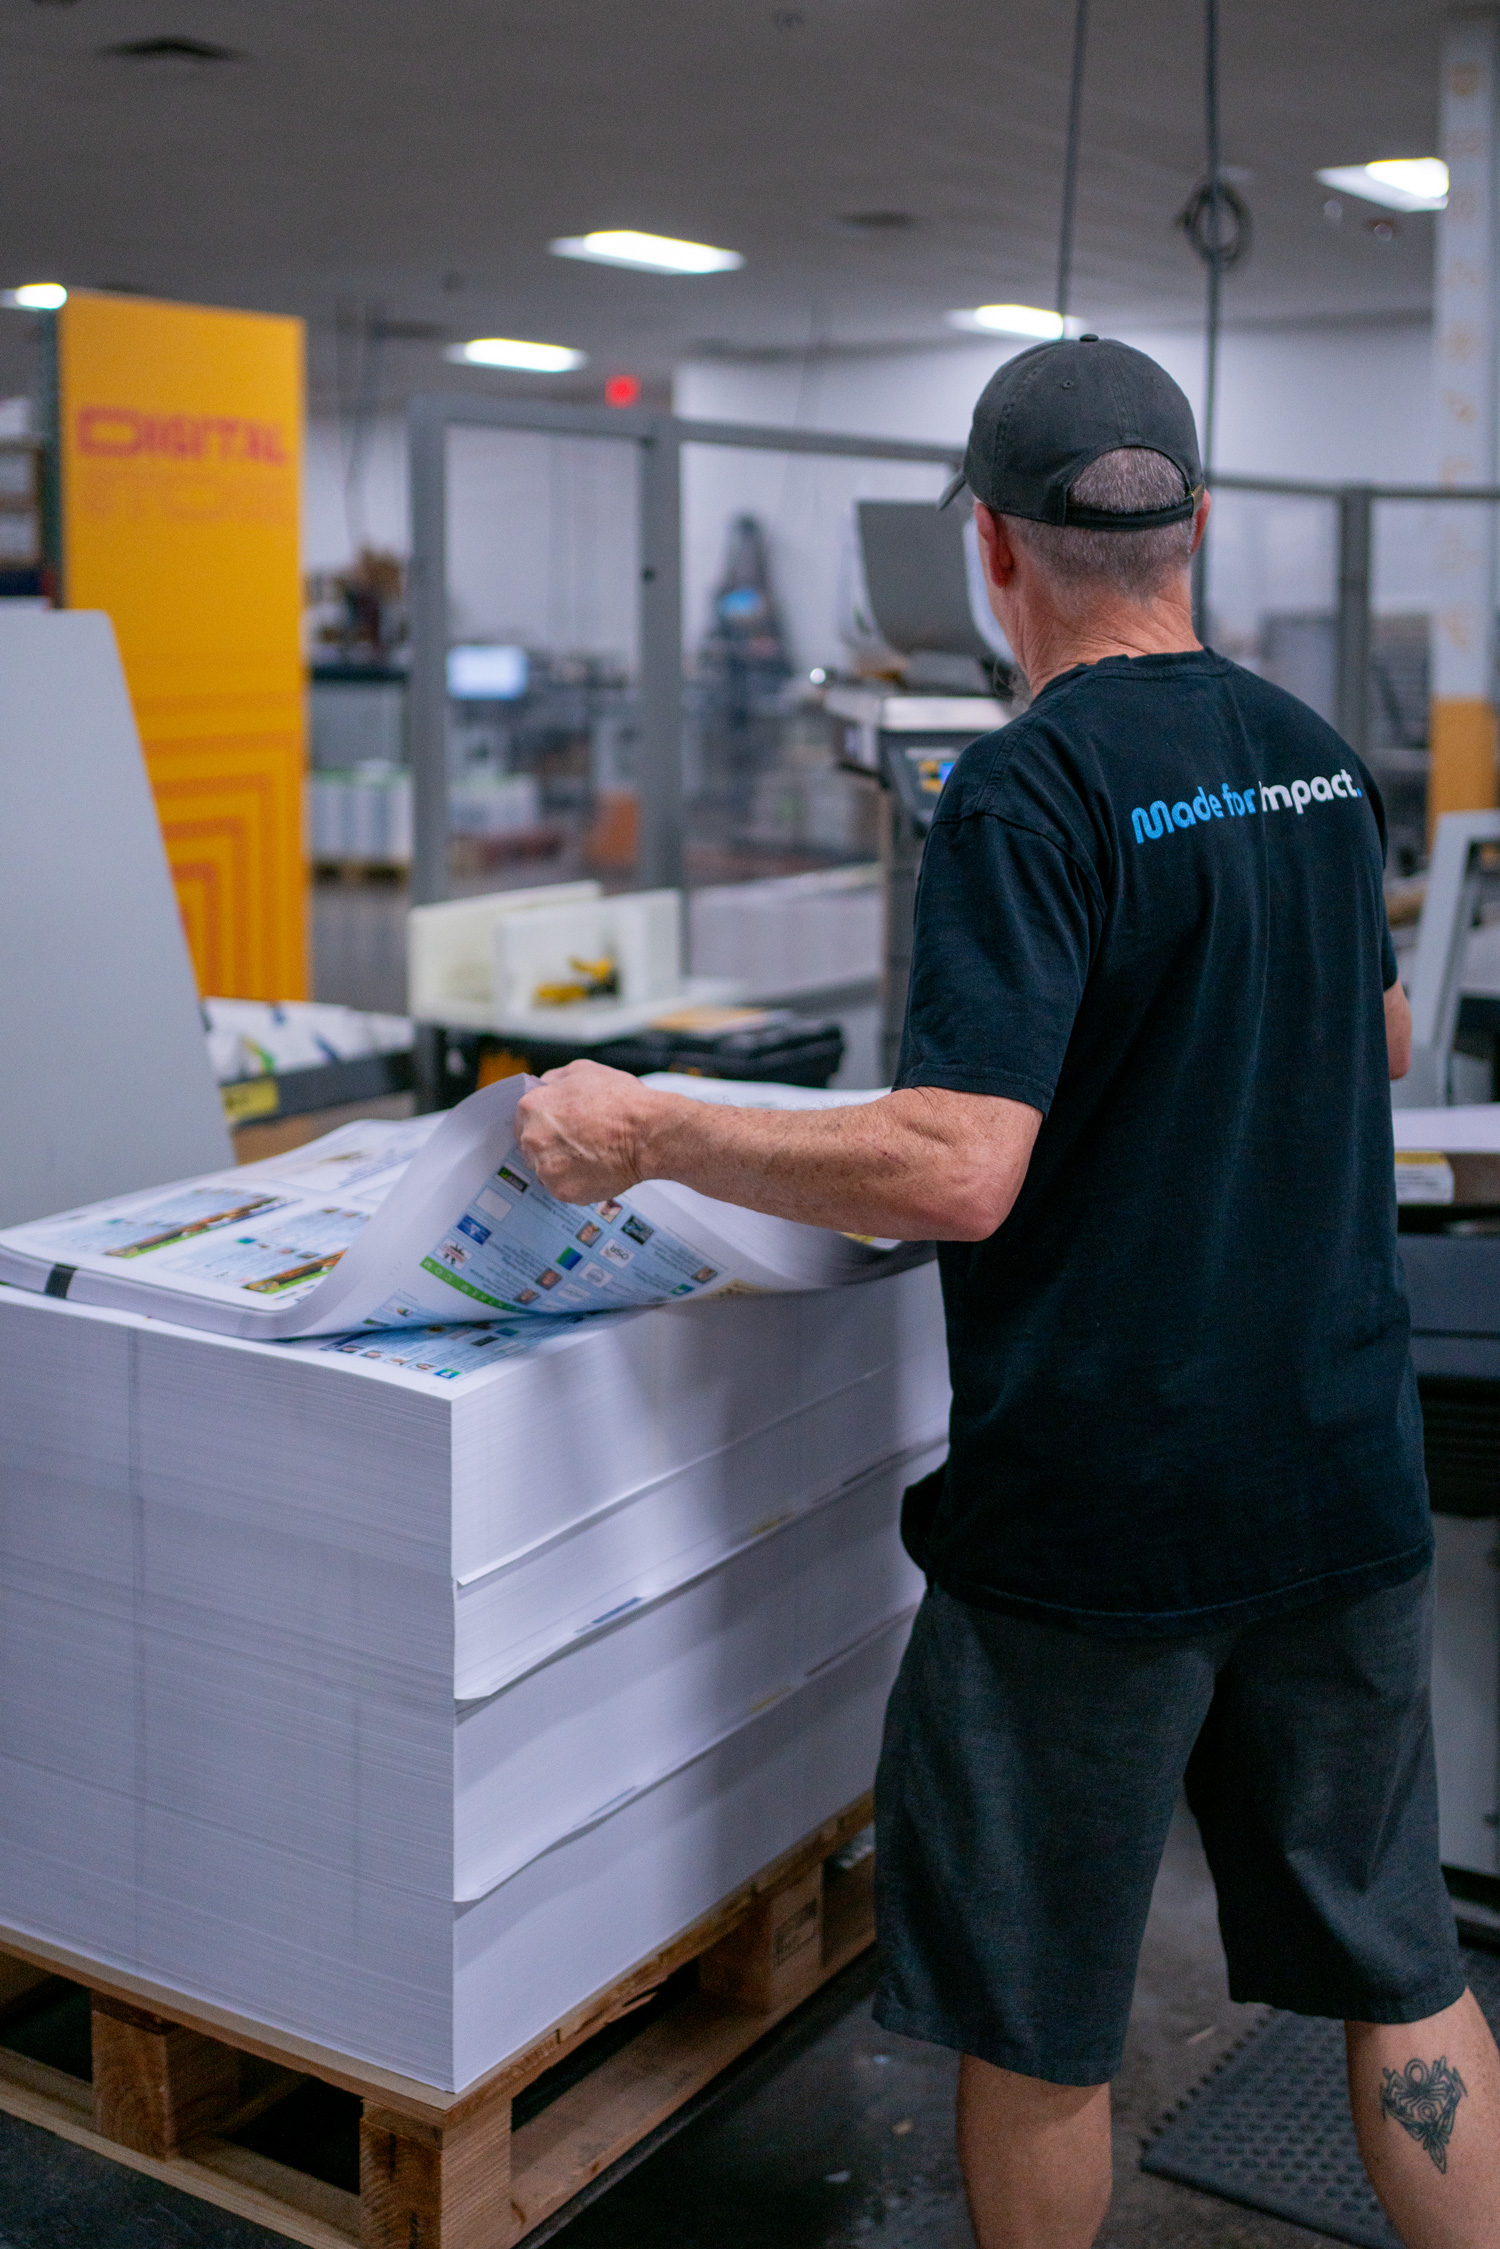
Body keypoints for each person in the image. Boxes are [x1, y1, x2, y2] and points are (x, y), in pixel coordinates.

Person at [516, 336, 1500, 2249]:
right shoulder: (1309, 759)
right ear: (1195, 524)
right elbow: (1377, 1035)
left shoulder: (1024, 793)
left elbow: (962, 1164)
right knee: (1404, 1972)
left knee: (1043, 2017)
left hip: (1097, 1534)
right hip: (1338, 1486)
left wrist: (652, 1128)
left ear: (992, 549)